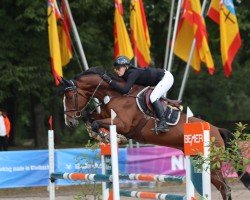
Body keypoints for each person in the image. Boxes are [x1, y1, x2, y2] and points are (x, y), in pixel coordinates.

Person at [102, 56, 174, 133]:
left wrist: (110, 81)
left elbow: (125, 90)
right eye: (115, 68)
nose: (116, 70)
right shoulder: (126, 74)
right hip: (159, 79)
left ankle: (163, 123)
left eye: (118, 68)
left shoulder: (133, 73)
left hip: (166, 78)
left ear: (126, 67)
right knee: (152, 96)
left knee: (153, 97)